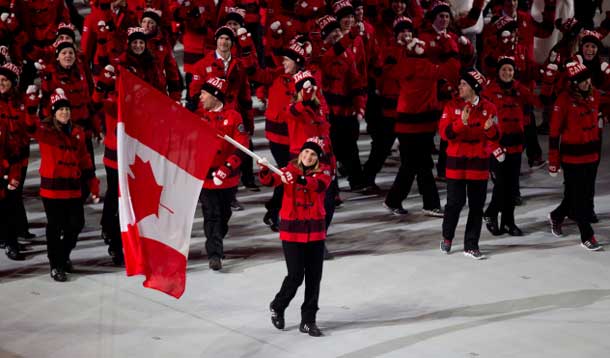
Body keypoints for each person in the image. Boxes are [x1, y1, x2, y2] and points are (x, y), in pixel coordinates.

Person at [259, 137, 332, 337]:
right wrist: (265, 168)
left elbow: (318, 185)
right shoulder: (287, 170)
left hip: (315, 231)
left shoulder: (325, 172)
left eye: (313, 154)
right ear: (300, 153)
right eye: (306, 152)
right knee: (296, 275)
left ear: (318, 159)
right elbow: (269, 180)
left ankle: (308, 321)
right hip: (292, 231)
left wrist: (298, 179)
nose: (308, 156)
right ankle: (278, 305)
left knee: (314, 278)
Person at [25, 88, 100, 281]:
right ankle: (56, 264)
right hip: (52, 190)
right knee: (55, 227)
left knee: (76, 224)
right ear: (54, 112)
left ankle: (63, 255)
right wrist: (32, 104)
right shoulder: (46, 132)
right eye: (60, 109)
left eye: (67, 109)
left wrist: (93, 183)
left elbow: (84, 159)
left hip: (73, 188)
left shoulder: (78, 132)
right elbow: (30, 126)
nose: (65, 112)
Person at [438, 68, 501, 260]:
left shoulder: (490, 108)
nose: (459, 87)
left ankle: (471, 244)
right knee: (455, 204)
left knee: (476, 206)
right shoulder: (451, 106)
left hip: (478, 163)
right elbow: (444, 134)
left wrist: (490, 130)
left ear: (474, 88)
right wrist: (460, 123)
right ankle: (447, 237)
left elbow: (497, 136)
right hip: (456, 163)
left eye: (463, 84)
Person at [547, 62, 603, 251]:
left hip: (591, 154)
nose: (587, 83)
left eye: (588, 79)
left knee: (577, 195)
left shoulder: (595, 96)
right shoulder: (563, 100)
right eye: (582, 81)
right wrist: (553, 162)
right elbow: (554, 133)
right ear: (573, 83)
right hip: (572, 157)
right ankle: (587, 235)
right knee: (579, 198)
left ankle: (556, 215)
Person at [482, 56, 539, 236]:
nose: (507, 73)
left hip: (515, 146)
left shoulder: (519, 89)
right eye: (504, 69)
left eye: (510, 70)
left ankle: (508, 222)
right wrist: (492, 145)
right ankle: (490, 214)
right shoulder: (489, 91)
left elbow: (538, 102)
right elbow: (483, 120)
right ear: (498, 72)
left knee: (512, 187)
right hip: (497, 146)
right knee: (501, 186)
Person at [196, 77, 249, 271]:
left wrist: (227, 168)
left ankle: (216, 240)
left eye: (204, 94)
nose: (200, 97)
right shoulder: (198, 116)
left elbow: (242, 146)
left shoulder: (234, 117)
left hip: (228, 178)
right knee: (212, 215)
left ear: (215, 96)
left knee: (224, 214)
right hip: (206, 179)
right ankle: (215, 254)